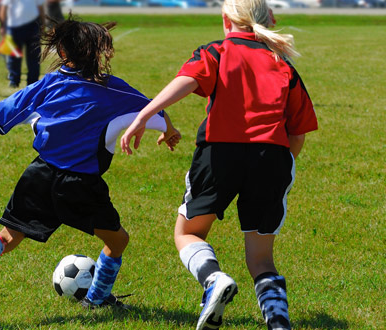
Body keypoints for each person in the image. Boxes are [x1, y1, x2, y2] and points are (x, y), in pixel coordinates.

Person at [0, 16, 182, 310]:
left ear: (62, 53)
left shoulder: (47, 84)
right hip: (81, 185)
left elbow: (3, 115)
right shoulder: (113, 90)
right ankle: (97, 299)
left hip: (40, 174)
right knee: (118, 241)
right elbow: (154, 106)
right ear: (97, 52)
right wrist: (170, 131)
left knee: (7, 238)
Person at [120, 0, 317, 329]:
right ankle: (279, 321)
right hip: (272, 158)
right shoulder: (281, 64)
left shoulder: (217, 51)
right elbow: (298, 132)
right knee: (261, 258)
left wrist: (145, 114)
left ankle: (213, 280)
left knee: (187, 233)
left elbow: (188, 79)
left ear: (227, 20)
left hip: (219, 154)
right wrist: (281, 165)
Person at [0, 0, 45, 88]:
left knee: (34, 56)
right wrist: (3, 25)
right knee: (14, 56)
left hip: (33, 25)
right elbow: (4, 8)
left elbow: (40, 7)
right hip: (13, 26)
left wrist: (42, 24)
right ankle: (14, 80)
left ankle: (33, 81)